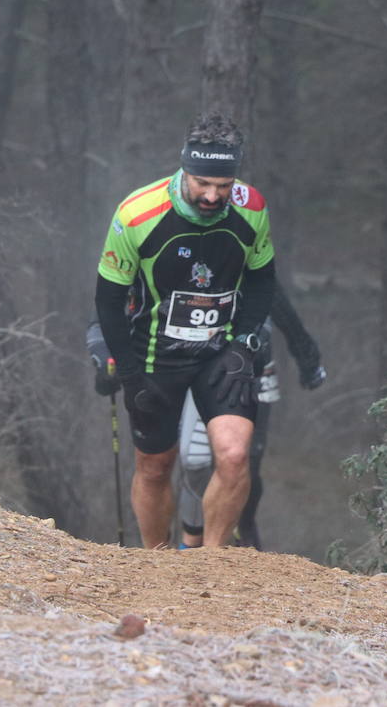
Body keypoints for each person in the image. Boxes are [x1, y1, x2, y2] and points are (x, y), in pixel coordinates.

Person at [93, 109, 275, 548]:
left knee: (234, 456)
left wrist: (245, 343)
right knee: (156, 465)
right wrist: (131, 372)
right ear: (185, 168)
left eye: (224, 186)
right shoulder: (137, 213)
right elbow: (109, 299)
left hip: (220, 353)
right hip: (155, 354)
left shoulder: (252, 208)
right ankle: (156, 562)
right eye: (203, 184)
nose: (213, 196)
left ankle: (210, 562)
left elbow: (262, 278)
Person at [175, 280, 326, 550]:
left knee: (246, 462)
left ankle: (243, 534)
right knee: (196, 461)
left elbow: (278, 302)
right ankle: (193, 538)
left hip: (255, 369)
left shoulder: (250, 249)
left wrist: (308, 358)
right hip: (202, 365)